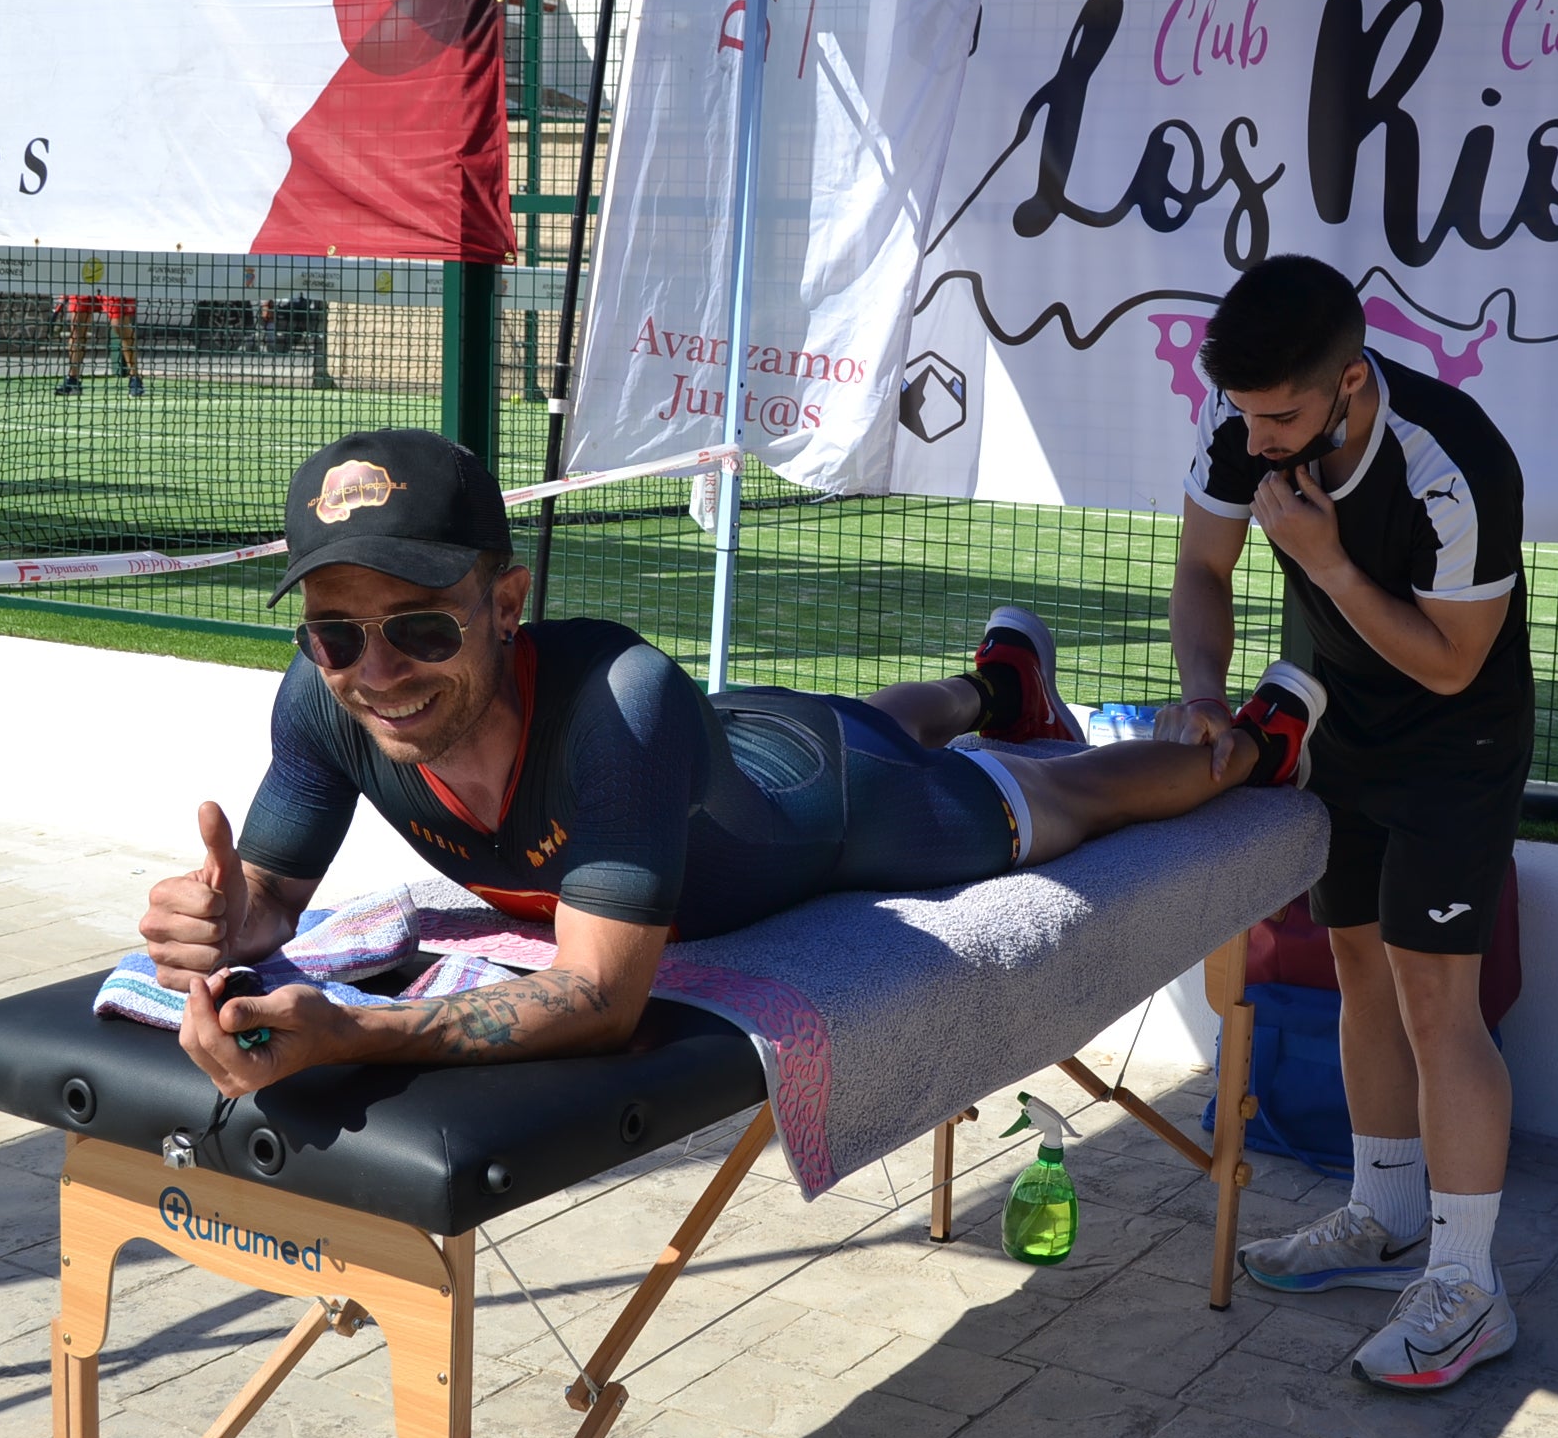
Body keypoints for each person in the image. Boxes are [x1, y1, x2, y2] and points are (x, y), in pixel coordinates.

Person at [140, 427, 1325, 1101]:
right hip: (736, 746)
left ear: (508, 603)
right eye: (336, 632)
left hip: (839, 813)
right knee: (871, 711)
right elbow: (270, 904)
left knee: (1064, 797)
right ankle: (992, 685)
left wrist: (355, 1033)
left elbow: (603, 1002)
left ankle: (1248, 752)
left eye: (421, 628)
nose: (377, 672)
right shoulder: (326, 701)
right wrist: (230, 921)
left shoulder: (618, 705)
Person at [1155, 256, 1533, 1393]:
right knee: (1358, 971)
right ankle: (1382, 1217)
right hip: (1340, 732)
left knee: (1438, 1002)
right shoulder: (1246, 431)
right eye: (1243, 414)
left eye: (1280, 416)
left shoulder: (1451, 457)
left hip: (1454, 746)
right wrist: (1209, 697)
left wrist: (1322, 559)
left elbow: (1455, 662)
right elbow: (1199, 568)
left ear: (1350, 382)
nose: (1258, 440)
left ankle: (1470, 1290)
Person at [56, 292, 145, 397]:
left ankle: (135, 378)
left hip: (113, 284)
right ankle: (72, 380)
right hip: (85, 281)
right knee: (77, 327)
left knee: (118, 325)